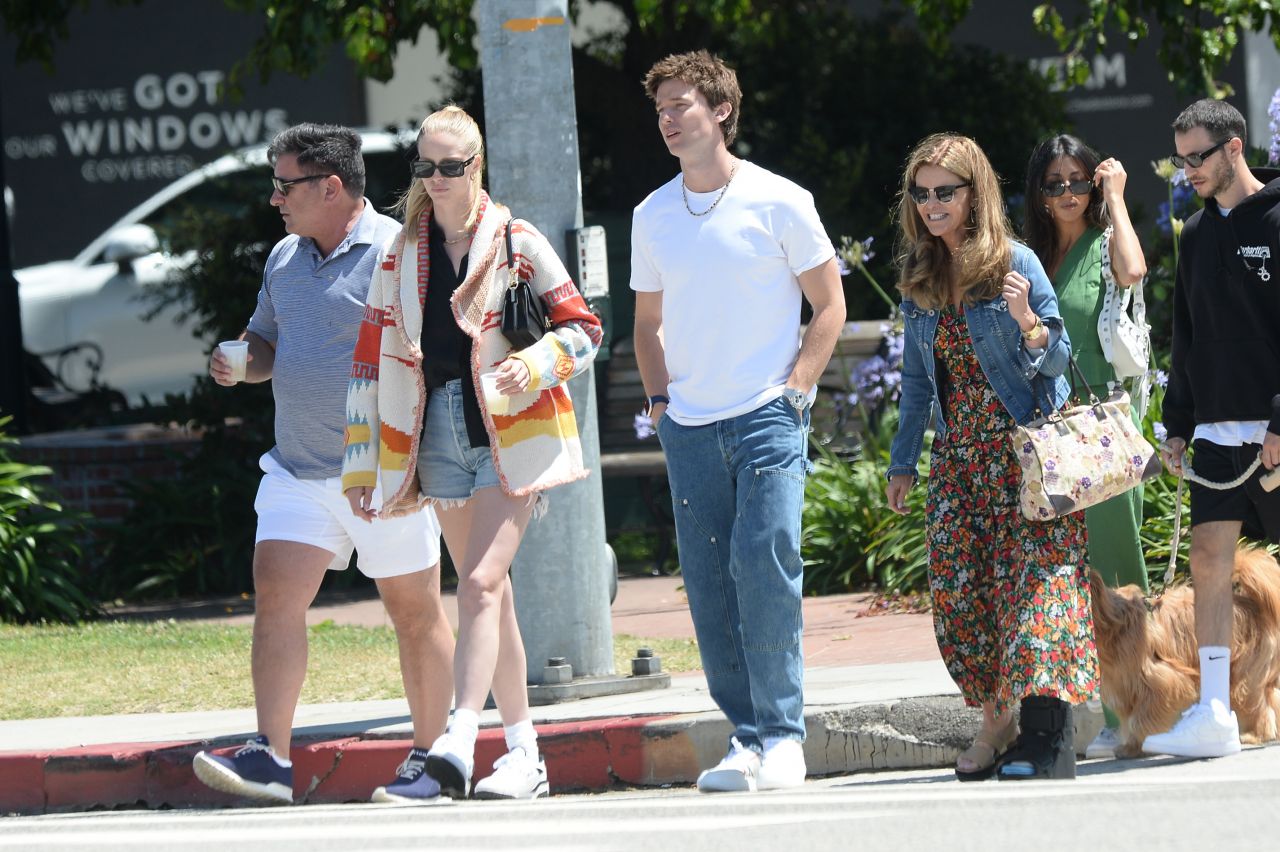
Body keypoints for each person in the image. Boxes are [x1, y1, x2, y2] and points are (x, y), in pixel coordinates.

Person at [341, 106, 602, 800]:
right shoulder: (400, 254)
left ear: (476, 166)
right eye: (425, 166)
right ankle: (525, 755)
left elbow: (584, 328)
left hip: (509, 434)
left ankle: (455, 740)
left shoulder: (517, 240)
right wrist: (362, 464)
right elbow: (370, 363)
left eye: (451, 167)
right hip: (436, 437)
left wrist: (539, 363)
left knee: (481, 584)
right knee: (495, 598)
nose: (437, 178)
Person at [192, 124, 455, 805]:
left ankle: (432, 760)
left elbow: (439, 347)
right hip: (298, 469)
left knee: (415, 613)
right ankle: (271, 758)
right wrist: (241, 359)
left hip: (385, 473)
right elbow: (269, 341)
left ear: (331, 187)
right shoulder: (284, 258)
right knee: (276, 594)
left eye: (286, 186)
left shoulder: (398, 252)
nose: (276, 199)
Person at [631, 50, 846, 793]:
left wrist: (797, 388)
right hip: (689, 424)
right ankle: (746, 738)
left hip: (765, 417)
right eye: (660, 109)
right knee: (710, 584)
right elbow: (646, 323)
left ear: (721, 110)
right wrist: (661, 407)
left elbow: (830, 305)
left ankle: (783, 735)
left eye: (681, 104)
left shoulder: (780, 199)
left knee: (766, 566)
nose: (667, 119)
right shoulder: (652, 213)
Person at [885, 133, 1099, 781]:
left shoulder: (1017, 262)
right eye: (921, 194)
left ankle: (1043, 740)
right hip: (959, 462)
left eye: (944, 192)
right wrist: (902, 462)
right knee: (963, 594)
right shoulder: (922, 277)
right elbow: (918, 384)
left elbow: (1059, 360)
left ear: (974, 194)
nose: (931, 205)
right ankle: (996, 721)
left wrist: (1028, 321)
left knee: (1034, 594)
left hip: (1024, 453)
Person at [1143, 99, 1280, 759]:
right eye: (1181, 158)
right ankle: (1216, 713)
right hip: (1217, 440)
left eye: (1198, 156)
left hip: (1276, 433)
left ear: (1233, 148)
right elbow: (1186, 334)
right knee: (1208, 565)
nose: (1188, 169)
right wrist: (1177, 425)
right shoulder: (1194, 233)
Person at [1022, 134, 1149, 760]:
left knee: (1117, 569)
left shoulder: (1102, 245)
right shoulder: (1033, 258)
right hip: (1048, 431)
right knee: (1066, 576)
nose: (1068, 192)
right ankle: (1108, 705)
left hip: (1099, 424)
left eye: (1079, 181)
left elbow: (1134, 270)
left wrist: (1117, 199)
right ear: (1040, 194)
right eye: (1055, 183)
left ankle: (1135, 707)